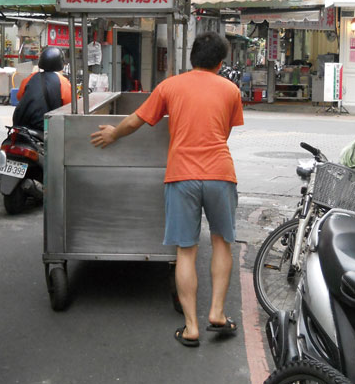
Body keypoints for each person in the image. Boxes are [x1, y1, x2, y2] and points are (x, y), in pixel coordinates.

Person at [90, 32, 244, 347]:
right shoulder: (231, 90)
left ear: (192, 58)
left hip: (182, 175)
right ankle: (216, 312)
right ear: (220, 62)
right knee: (222, 244)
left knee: (185, 251)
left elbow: (136, 120)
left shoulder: (170, 86)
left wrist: (113, 135)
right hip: (220, 173)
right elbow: (224, 132)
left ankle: (191, 328)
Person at [13, 46, 72, 130]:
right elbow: (69, 106)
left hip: (21, 125)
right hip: (46, 127)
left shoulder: (30, 78)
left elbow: (19, 96)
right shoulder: (63, 81)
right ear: (61, 63)